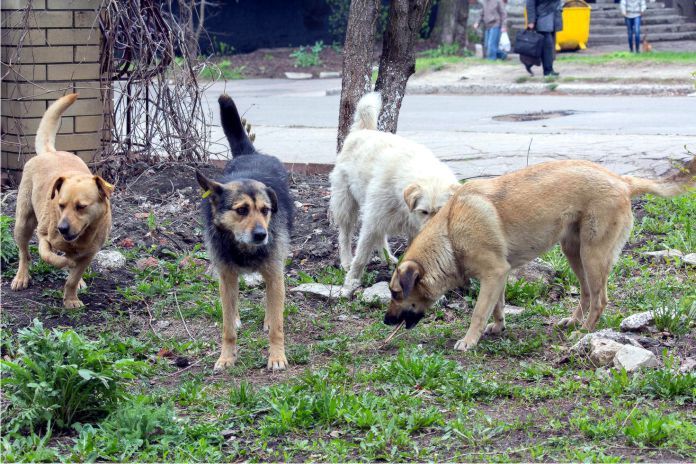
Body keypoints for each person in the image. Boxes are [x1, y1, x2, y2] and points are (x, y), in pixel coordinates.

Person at [526, 0, 563, 76]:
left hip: (553, 18)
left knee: (548, 47)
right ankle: (548, 71)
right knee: (547, 46)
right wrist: (531, 21)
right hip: (542, 19)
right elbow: (530, 4)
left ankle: (531, 63)